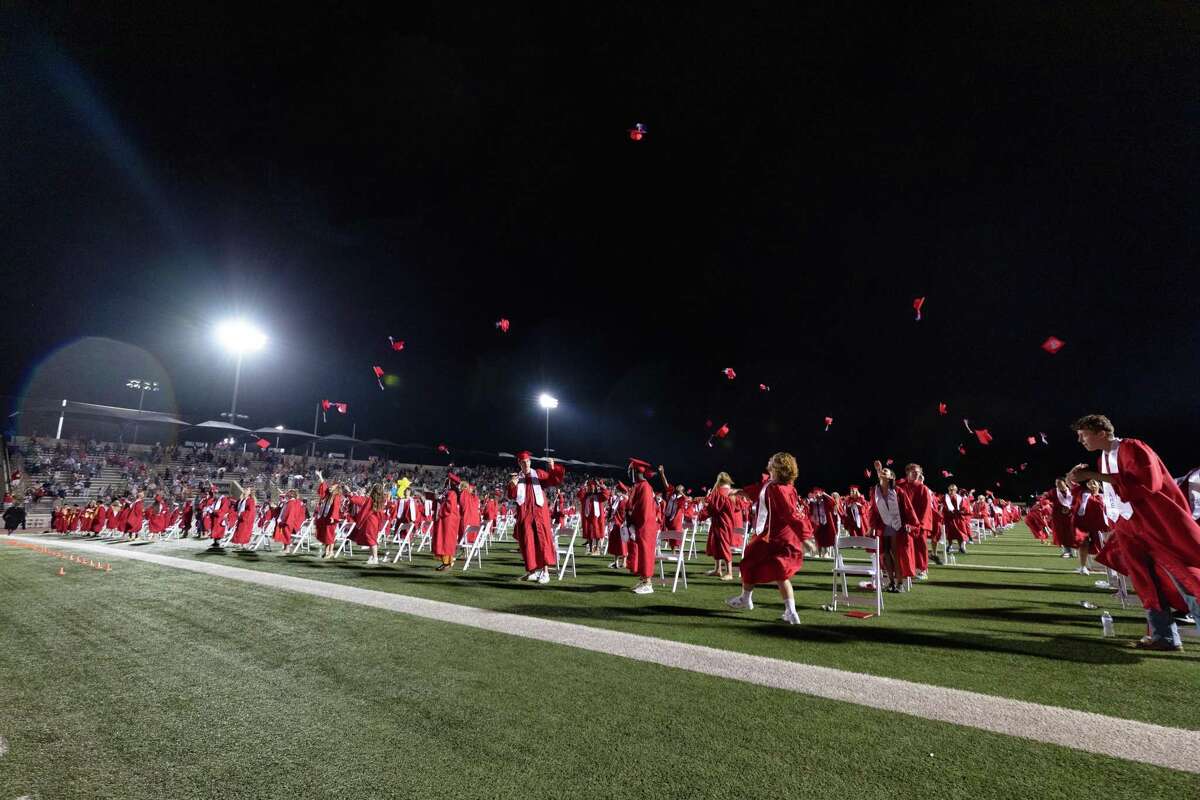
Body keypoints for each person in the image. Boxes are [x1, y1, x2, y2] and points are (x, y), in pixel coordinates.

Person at [1067, 414, 1200, 651]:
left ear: (1101, 433)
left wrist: (1092, 476)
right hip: (1129, 527)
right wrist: (1080, 479)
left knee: (1185, 579)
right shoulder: (1103, 459)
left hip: (1155, 525)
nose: (1080, 440)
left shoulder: (1133, 447)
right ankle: (1164, 637)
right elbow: (1113, 491)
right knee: (1145, 582)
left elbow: (1148, 483)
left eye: (1083, 434)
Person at [724, 453, 807, 624]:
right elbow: (758, 491)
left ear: (778, 467)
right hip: (774, 534)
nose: (768, 462)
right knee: (770, 569)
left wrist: (805, 536)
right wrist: (740, 492)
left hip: (778, 537)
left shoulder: (780, 489)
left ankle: (788, 611)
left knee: (775, 570)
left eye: (772, 461)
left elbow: (791, 514)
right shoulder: (774, 484)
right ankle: (788, 612)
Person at [507, 451, 565, 584]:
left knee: (542, 541)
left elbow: (553, 480)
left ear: (530, 462)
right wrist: (512, 484)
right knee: (528, 543)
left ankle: (545, 573)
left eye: (527, 461)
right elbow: (511, 495)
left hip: (539, 513)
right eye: (523, 462)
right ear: (519, 463)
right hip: (525, 515)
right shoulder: (517, 478)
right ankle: (532, 572)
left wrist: (552, 468)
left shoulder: (537, 474)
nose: (526, 464)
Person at [868, 461, 918, 592]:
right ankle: (891, 582)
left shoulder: (897, 491)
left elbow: (908, 508)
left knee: (895, 554)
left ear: (891, 477)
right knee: (885, 554)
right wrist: (871, 526)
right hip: (882, 526)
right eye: (882, 471)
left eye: (886, 471)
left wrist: (911, 524)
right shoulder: (876, 491)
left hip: (896, 526)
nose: (883, 472)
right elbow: (873, 510)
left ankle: (900, 583)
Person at [897, 464, 936, 581]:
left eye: (917, 472)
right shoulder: (900, 487)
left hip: (918, 524)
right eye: (913, 471)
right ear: (907, 472)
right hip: (904, 524)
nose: (915, 474)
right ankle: (908, 568)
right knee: (905, 547)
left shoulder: (923, 488)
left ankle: (922, 570)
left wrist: (920, 525)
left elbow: (926, 509)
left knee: (920, 547)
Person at [625, 460, 659, 594]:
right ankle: (643, 579)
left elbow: (642, 510)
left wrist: (632, 521)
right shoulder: (639, 486)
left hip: (644, 526)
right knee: (640, 553)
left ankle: (648, 583)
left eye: (630, 470)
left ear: (636, 472)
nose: (628, 472)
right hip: (640, 525)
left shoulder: (644, 487)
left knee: (645, 553)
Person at [702, 471, 737, 580]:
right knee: (717, 545)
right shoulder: (730, 492)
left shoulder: (719, 492)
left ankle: (729, 573)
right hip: (723, 522)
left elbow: (713, 507)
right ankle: (718, 570)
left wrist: (703, 513)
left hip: (722, 523)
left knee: (724, 546)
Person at [350, 483, 387, 565]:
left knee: (371, 539)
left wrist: (359, 520)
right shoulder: (381, 500)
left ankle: (375, 558)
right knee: (371, 539)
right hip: (375, 521)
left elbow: (364, 510)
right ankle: (372, 557)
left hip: (369, 521)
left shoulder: (370, 499)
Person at [432, 474, 462, 571]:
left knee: (446, 540)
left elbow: (449, 507)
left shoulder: (452, 493)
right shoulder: (452, 493)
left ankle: (447, 562)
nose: (445, 483)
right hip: (449, 519)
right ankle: (447, 562)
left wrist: (440, 502)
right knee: (447, 540)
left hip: (448, 520)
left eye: (447, 481)